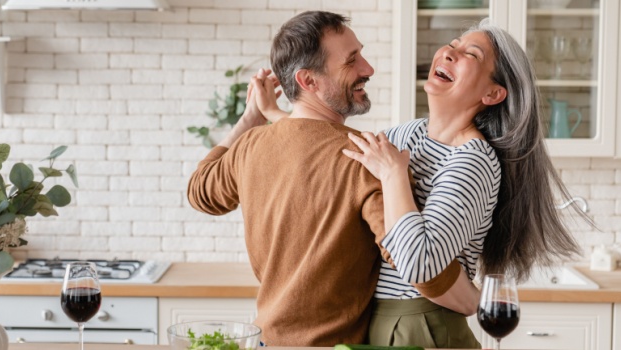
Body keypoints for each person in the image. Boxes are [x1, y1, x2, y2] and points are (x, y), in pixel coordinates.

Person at [187, 11, 476, 347]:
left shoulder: (251, 145)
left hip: (266, 341)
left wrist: (249, 118)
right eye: (351, 61)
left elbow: (200, 192)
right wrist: (475, 301)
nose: (368, 69)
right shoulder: (365, 159)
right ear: (308, 81)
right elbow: (418, 265)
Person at [338, 19, 584, 347]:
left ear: (493, 93)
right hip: (377, 320)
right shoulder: (405, 134)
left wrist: (395, 175)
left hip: (424, 326)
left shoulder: (473, 161)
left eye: (471, 54)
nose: (449, 54)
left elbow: (420, 265)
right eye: (452, 45)